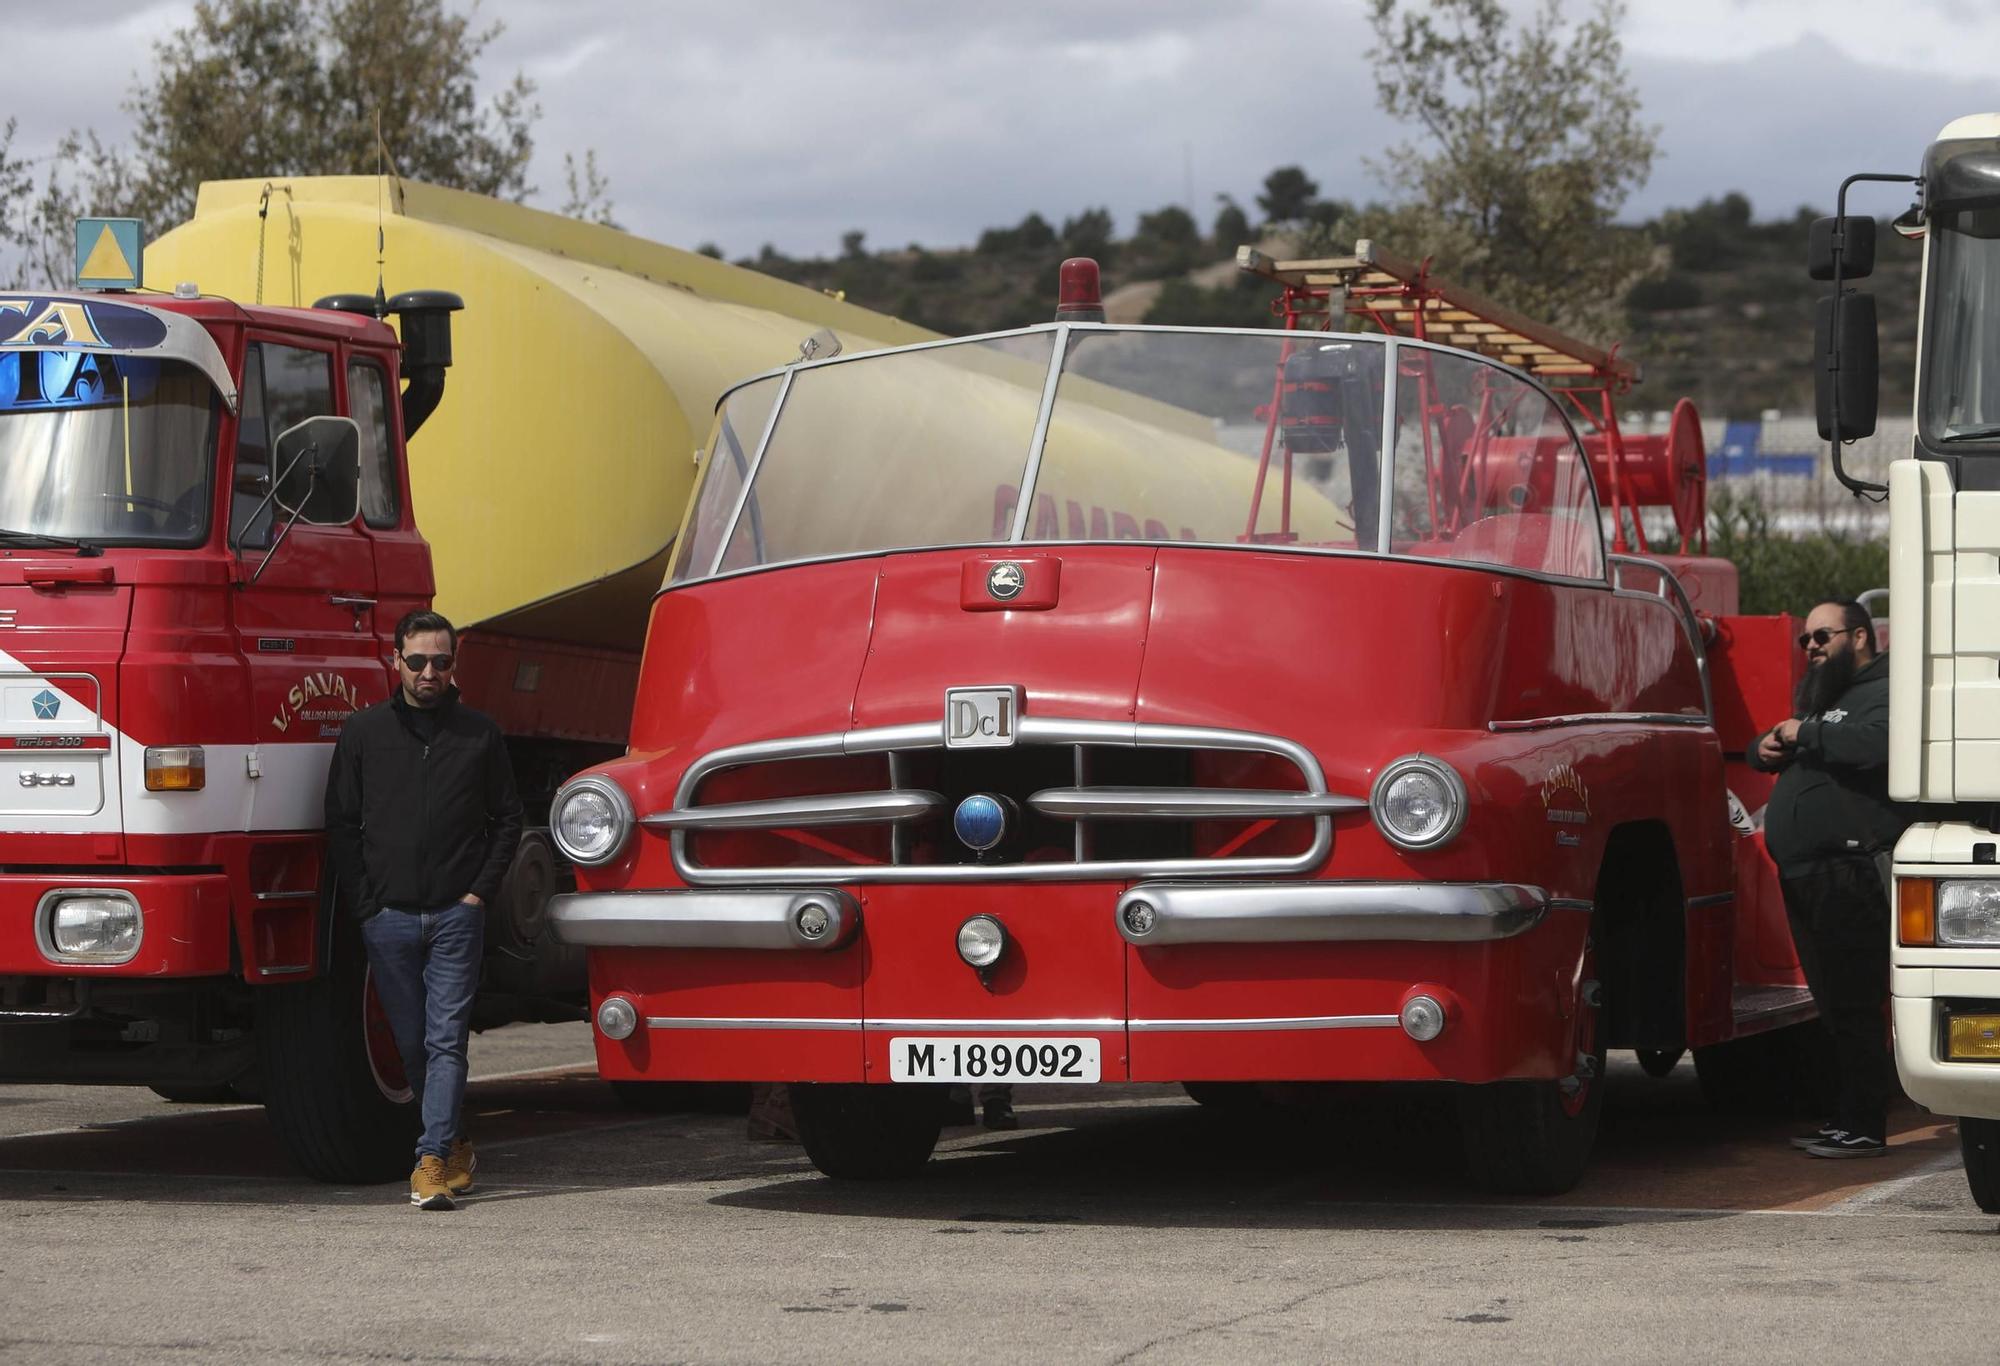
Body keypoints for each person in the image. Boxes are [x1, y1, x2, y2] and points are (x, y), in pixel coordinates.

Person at [325, 610, 523, 1208]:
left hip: (455, 918)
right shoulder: (363, 734)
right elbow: (341, 821)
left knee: (445, 1041)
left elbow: (508, 819)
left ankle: (431, 1162)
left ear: (454, 666)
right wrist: (366, 905)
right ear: (397, 662)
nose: (429, 671)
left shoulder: (479, 735)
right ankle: (455, 1140)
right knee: (412, 1043)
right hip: (387, 919)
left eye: (440, 661)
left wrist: (476, 895)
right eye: (418, 661)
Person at [1747, 598, 1907, 1159]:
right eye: (1805, 640)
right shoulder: (1830, 698)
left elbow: (1877, 746)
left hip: (1849, 871)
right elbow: (1793, 745)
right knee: (1833, 1003)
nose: (1811, 647)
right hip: (1808, 873)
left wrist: (1804, 733)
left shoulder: (1888, 691)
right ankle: (1848, 1119)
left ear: (1860, 637)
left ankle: (1864, 1124)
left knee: (1855, 1002)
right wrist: (1764, 748)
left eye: (1823, 637)